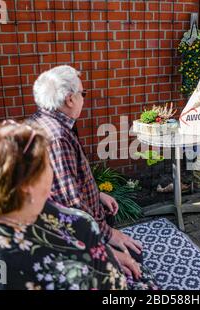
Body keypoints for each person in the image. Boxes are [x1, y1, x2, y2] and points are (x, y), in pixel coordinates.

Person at [0, 121, 158, 290]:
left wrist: (108, 254)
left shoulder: (1, 198)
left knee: (135, 255)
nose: (54, 175)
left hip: (111, 270)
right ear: (27, 186)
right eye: (48, 166)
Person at [29, 65, 144, 272]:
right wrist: (109, 237)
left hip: (70, 225)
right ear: (70, 99)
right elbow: (71, 205)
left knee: (129, 248)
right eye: (83, 93)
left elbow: (65, 183)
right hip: (70, 238)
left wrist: (97, 194)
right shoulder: (57, 138)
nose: (84, 99)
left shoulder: (43, 120)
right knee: (135, 257)